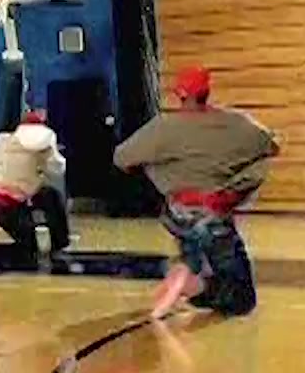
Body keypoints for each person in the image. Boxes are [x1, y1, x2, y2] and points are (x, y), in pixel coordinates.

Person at [114, 65, 280, 318]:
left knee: (195, 247)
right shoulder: (235, 124)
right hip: (213, 214)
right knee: (242, 298)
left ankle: (187, 268)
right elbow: (272, 145)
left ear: (179, 94)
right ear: (207, 92)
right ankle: (191, 283)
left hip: (177, 214)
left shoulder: (163, 128)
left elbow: (121, 158)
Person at [0, 109, 66, 268]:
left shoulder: (4, 142)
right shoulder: (45, 144)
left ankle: (2, 252)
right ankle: (60, 242)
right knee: (52, 196)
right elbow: (57, 169)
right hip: (14, 202)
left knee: (46, 197)